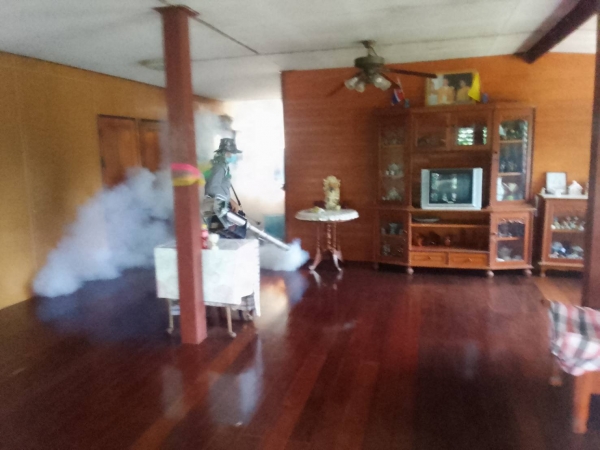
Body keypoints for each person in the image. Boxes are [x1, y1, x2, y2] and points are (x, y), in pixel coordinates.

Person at [203, 138, 244, 234]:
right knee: (221, 236)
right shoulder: (219, 167)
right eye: (232, 153)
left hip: (216, 206)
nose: (233, 156)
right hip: (215, 207)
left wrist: (231, 201)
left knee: (222, 235)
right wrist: (230, 201)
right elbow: (211, 189)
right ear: (226, 153)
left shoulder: (222, 166)